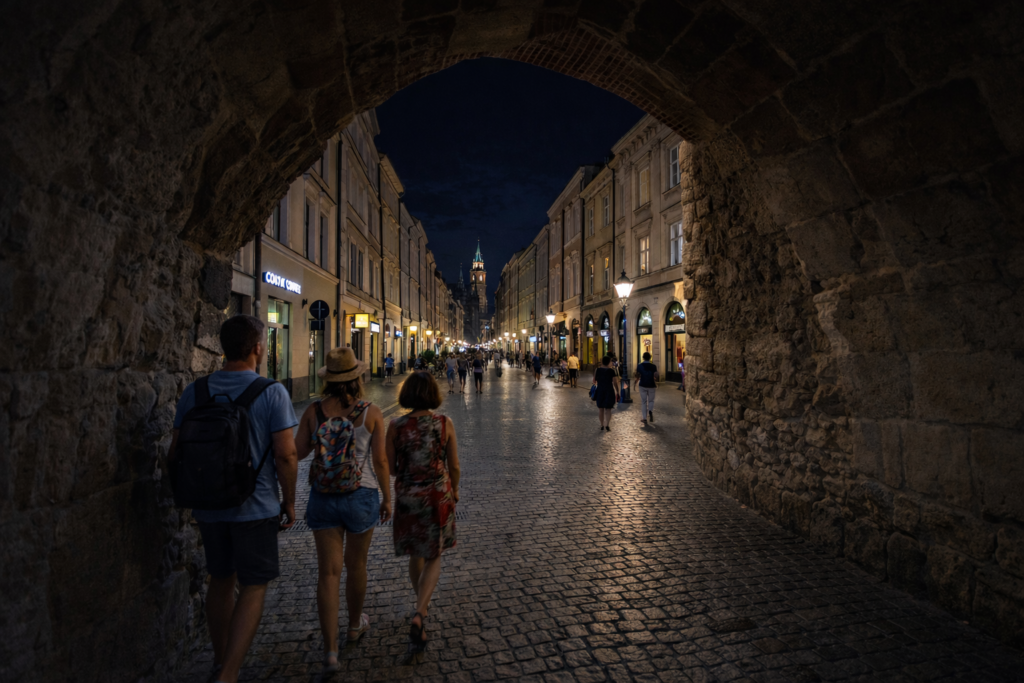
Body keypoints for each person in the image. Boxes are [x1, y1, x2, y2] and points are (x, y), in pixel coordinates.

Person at [169, 315, 299, 683]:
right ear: (258, 347)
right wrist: (289, 503)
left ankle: (218, 659)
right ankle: (229, 673)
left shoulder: (195, 391)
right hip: (255, 507)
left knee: (220, 580)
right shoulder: (271, 392)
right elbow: (286, 456)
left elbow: (176, 451)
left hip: (209, 507)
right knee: (254, 585)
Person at [293, 347, 391, 672]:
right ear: (357, 377)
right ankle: (353, 626)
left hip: (323, 496)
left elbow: (299, 452)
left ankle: (331, 651)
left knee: (328, 573)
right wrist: (387, 498)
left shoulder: (313, 412)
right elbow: (379, 462)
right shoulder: (371, 411)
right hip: (360, 495)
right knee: (357, 566)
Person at [386, 372, 460, 652]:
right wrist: (455, 490)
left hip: (408, 496)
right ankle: (420, 612)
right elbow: (454, 466)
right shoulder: (444, 424)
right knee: (434, 554)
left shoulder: (395, 425)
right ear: (433, 395)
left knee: (417, 553)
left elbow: (391, 468)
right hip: (437, 496)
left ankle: (421, 607)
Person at [592, 355, 620, 431]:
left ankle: (602, 425)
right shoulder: (611, 371)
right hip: (609, 390)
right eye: (611, 361)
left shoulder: (597, 370)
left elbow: (594, 381)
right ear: (608, 362)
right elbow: (615, 382)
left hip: (600, 390)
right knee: (608, 409)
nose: (611, 363)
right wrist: (617, 391)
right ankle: (607, 424)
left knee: (601, 409)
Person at [632, 351, 660, 425]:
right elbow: (656, 376)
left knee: (643, 402)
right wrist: (655, 378)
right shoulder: (653, 366)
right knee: (651, 400)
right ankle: (650, 410)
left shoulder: (639, 366)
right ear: (650, 358)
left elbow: (637, 376)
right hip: (651, 385)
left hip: (642, 385)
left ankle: (644, 418)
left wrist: (635, 382)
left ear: (643, 358)